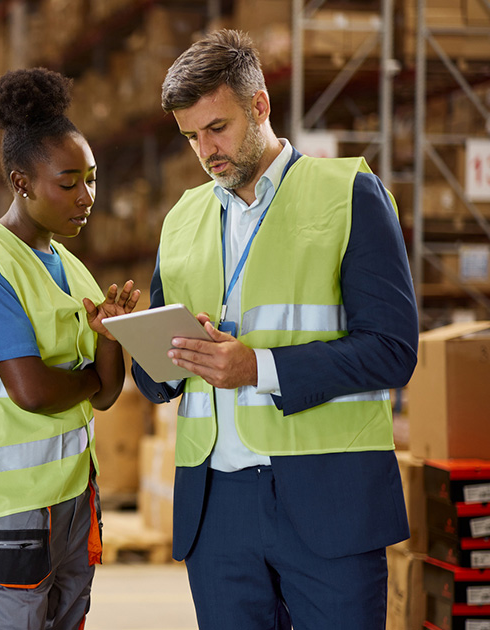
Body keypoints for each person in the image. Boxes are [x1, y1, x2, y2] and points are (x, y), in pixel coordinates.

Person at [131, 30, 417, 629]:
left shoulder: (348, 195)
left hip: (327, 498)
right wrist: (139, 338)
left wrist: (257, 368)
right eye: (191, 137)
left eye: (218, 127)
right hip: (217, 510)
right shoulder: (182, 219)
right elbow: (162, 385)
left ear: (260, 105)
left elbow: (393, 350)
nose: (206, 150)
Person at [0, 68, 140, 630]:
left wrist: (112, 340)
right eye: (68, 182)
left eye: (92, 178)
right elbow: (34, 391)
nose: (86, 196)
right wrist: (94, 369)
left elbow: (110, 393)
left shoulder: (73, 270)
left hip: (69, 506)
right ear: (21, 182)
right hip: (4, 516)